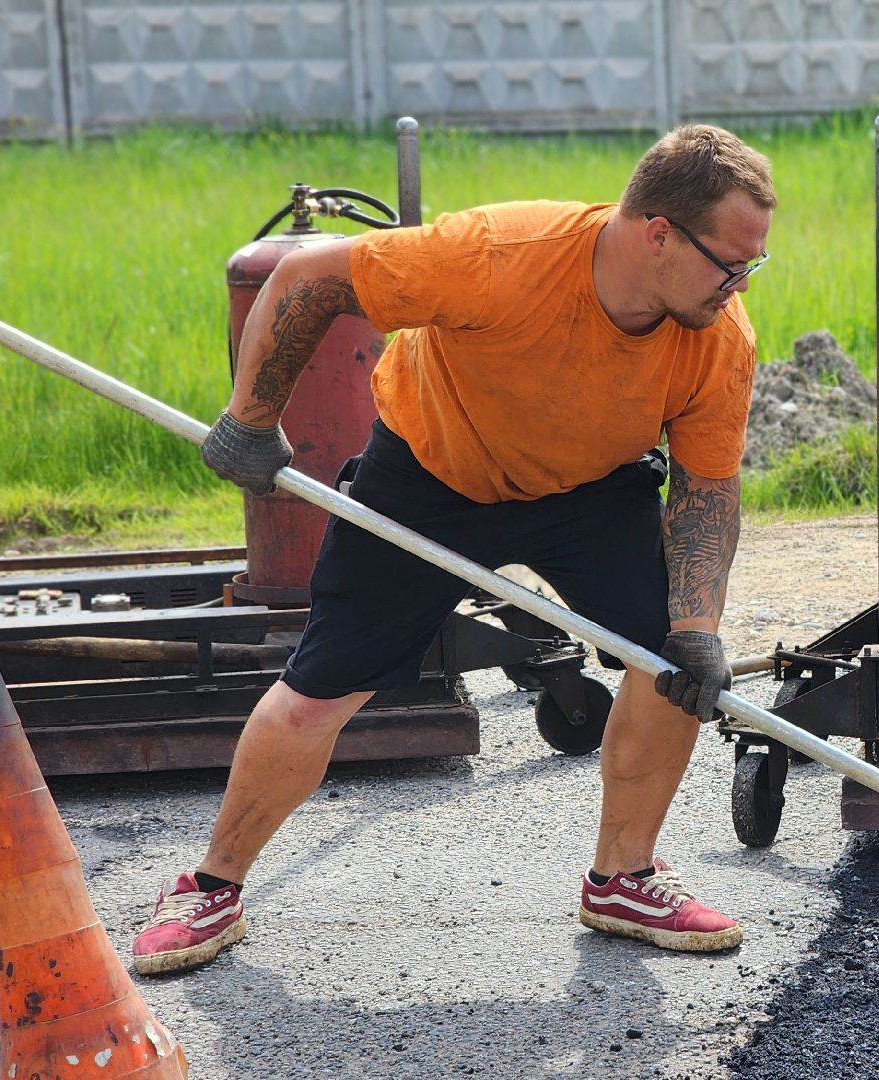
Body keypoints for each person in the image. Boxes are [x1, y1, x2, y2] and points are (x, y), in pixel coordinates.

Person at [129, 125, 775, 975]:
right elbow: (308, 276)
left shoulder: (717, 337)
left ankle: (623, 877)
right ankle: (211, 886)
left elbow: (705, 488)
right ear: (658, 232)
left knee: (669, 663)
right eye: (729, 264)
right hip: (431, 472)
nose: (737, 288)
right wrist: (253, 416)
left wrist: (697, 623)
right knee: (320, 687)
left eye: (750, 270)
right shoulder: (503, 253)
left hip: (589, 489)